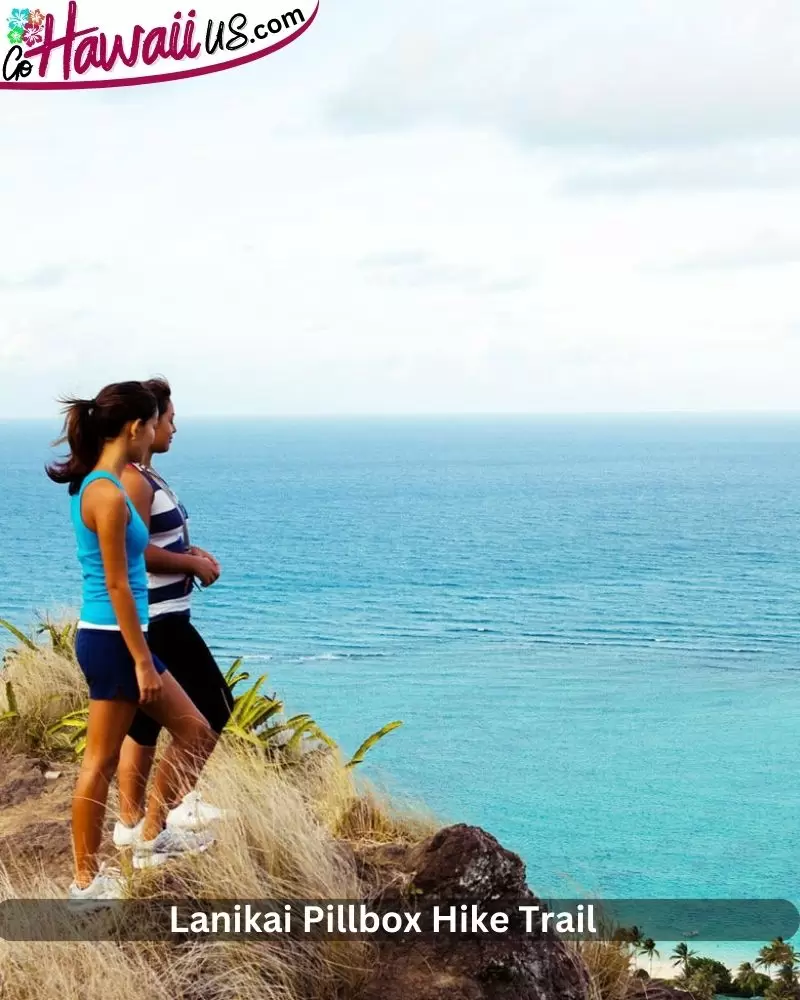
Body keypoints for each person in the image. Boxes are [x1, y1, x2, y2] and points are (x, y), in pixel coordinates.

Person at [47, 381, 218, 901]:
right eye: (152, 423)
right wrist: (143, 660)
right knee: (98, 761)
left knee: (196, 730)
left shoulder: (106, 485)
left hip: (120, 638)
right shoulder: (103, 491)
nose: (156, 432)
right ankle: (85, 882)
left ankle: (150, 833)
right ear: (134, 427)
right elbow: (119, 582)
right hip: (113, 639)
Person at [113, 377, 233, 844]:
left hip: (162, 615)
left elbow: (156, 540)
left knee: (143, 725)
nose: (174, 429)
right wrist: (189, 563)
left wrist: (192, 551)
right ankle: (161, 823)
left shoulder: (147, 477)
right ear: (146, 423)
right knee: (214, 706)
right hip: (160, 619)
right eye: (170, 419)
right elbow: (135, 552)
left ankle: (131, 825)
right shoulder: (132, 480)